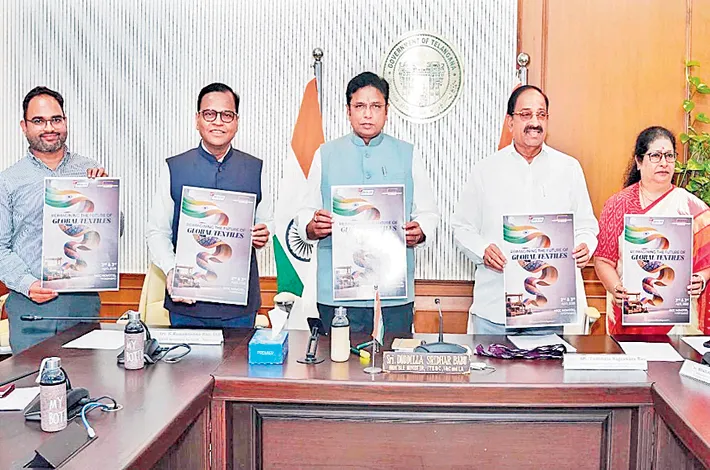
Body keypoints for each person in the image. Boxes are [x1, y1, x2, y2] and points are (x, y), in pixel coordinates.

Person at [295, 72, 440, 333]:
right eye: (360, 106)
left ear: (387, 111)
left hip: (393, 292)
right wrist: (312, 225)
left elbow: (428, 213)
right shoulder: (326, 154)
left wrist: (420, 231)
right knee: (336, 358)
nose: (367, 114)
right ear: (348, 111)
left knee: (393, 356)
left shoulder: (408, 153)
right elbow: (305, 211)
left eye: (376, 106)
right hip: (337, 293)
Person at [451, 85, 599, 335]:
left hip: (549, 311)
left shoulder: (569, 169)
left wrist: (584, 245)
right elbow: (462, 228)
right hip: (495, 309)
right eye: (526, 114)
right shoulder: (486, 170)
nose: (535, 123)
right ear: (510, 122)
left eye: (541, 115)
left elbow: (586, 225)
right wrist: (483, 251)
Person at [147, 82, 273, 328]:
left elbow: (267, 221)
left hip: (239, 304)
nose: (218, 122)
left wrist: (264, 232)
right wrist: (172, 270)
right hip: (187, 303)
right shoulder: (174, 167)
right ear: (197, 120)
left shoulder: (255, 168)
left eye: (227, 115)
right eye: (209, 114)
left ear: (236, 121)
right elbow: (157, 231)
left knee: (238, 356)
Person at [0, 86, 107, 353]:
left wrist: (105, 195)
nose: (49, 128)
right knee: (31, 378)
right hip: (31, 306)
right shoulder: (9, 181)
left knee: (86, 378)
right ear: (24, 126)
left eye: (55, 119)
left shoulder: (89, 170)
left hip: (82, 304)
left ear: (65, 122)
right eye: (39, 121)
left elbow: (112, 232)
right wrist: (27, 284)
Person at [594, 126, 710, 335]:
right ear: (639, 161)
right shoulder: (618, 205)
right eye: (655, 156)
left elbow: (707, 259)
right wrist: (616, 288)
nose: (664, 163)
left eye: (669, 156)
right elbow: (603, 260)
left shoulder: (691, 206)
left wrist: (701, 278)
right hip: (629, 316)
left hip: (679, 324)